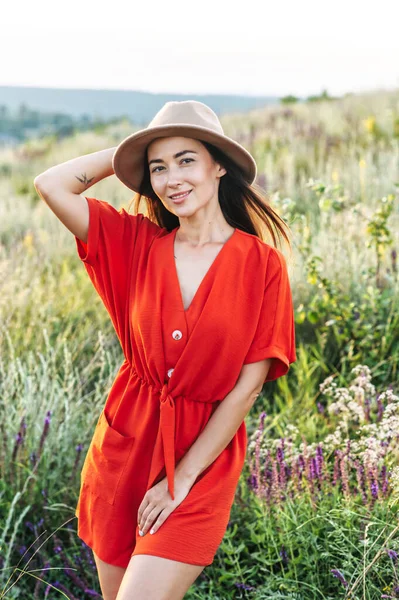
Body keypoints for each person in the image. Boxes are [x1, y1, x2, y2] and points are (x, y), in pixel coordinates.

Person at [33, 100, 297, 600]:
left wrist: (182, 479)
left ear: (219, 164)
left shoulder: (262, 266)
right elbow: (51, 184)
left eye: (186, 160)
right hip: (123, 450)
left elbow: (246, 389)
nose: (172, 178)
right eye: (158, 167)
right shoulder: (134, 245)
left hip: (200, 466)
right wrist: (131, 153)